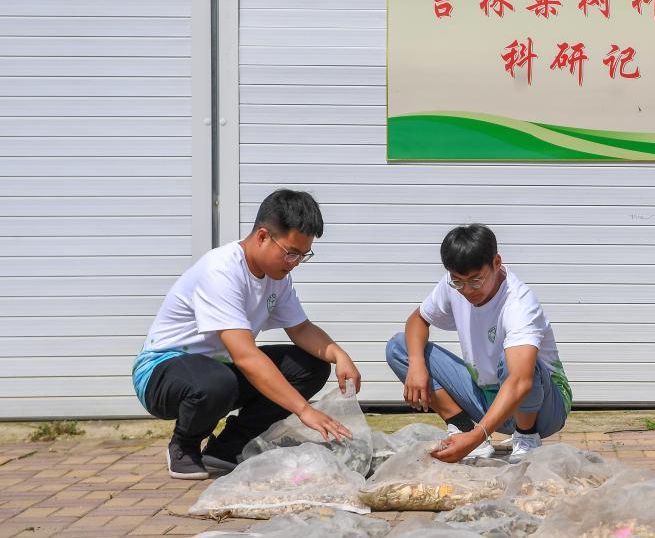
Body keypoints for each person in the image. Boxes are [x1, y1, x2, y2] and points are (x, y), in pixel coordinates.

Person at [131, 189, 361, 479]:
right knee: (218, 381)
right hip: (161, 372)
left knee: (311, 366)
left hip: (219, 368)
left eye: (303, 255)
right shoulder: (222, 270)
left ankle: (227, 448)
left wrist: (338, 354)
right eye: (290, 253)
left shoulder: (277, 277)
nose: (295, 263)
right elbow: (245, 355)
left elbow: (301, 328)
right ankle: (184, 445)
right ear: (263, 236)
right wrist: (304, 410)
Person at [385, 224, 572, 464]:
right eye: (458, 282)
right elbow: (417, 319)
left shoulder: (519, 304)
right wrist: (417, 364)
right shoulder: (453, 285)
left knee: (516, 362)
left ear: (496, 262)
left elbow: (520, 381)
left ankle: (526, 438)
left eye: (475, 281)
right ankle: (462, 428)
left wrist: (478, 434)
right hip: (487, 395)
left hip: (544, 408)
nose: (467, 290)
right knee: (399, 348)